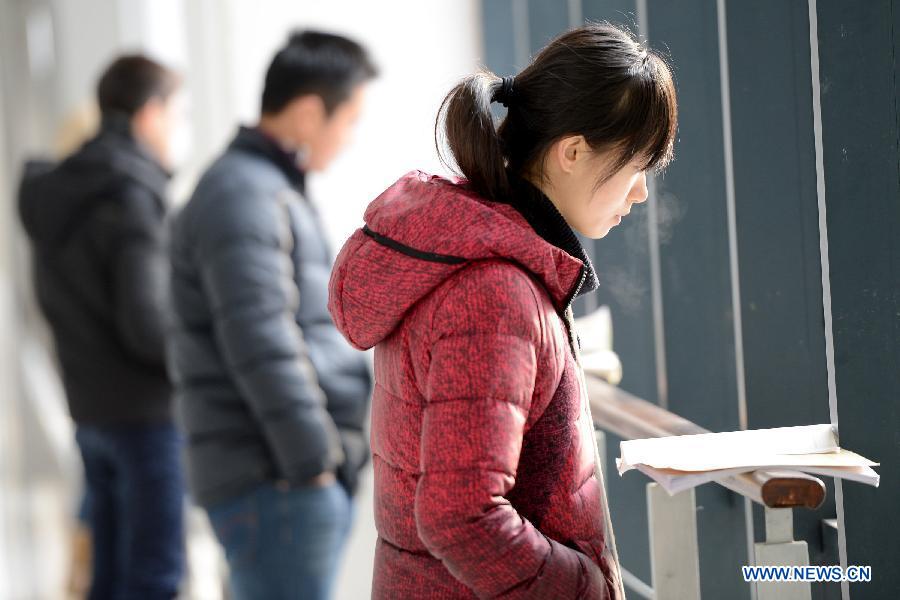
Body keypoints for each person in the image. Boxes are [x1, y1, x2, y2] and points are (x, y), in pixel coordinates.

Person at [328, 23, 678, 599]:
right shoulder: (493, 294)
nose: (640, 193)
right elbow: (459, 517)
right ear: (572, 152)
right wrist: (586, 589)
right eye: (636, 163)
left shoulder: (473, 251)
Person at [167, 30, 376, 600]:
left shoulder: (260, 186)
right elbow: (261, 341)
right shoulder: (244, 194)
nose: (349, 137)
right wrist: (314, 463)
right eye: (349, 119)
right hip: (278, 481)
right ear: (310, 113)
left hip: (277, 477)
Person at [18, 55, 186, 599]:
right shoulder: (133, 194)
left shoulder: (61, 191)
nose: (176, 129)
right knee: (153, 575)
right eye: (173, 114)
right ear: (148, 113)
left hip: (90, 409)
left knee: (110, 575)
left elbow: (47, 301)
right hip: (145, 418)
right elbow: (145, 322)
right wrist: (200, 359)